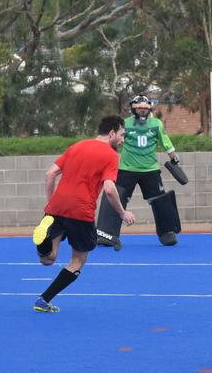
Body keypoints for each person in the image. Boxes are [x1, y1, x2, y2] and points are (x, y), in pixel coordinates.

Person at [31, 115, 136, 313]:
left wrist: (50, 202)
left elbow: (50, 173)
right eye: (122, 135)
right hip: (81, 211)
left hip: (56, 208)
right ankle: (43, 300)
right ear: (112, 133)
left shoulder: (76, 146)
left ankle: (43, 242)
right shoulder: (112, 156)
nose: (123, 140)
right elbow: (109, 189)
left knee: (48, 259)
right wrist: (122, 213)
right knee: (78, 260)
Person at [96, 94, 181, 249]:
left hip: (151, 170)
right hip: (126, 169)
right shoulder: (125, 124)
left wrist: (174, 157)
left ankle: (167, 233)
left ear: (149, 109)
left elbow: (165, 141)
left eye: (145, 109)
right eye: (139, 109)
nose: (142, 111)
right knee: (116, 198)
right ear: (133, 109)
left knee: (160, 200)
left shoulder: (156, 124)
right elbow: (113, 140)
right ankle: (106, 234)